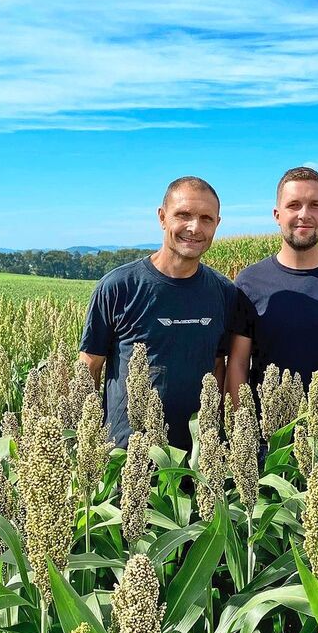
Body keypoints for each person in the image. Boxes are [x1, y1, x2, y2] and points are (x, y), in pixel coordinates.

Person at [79, 176, 235, 451]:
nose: (194, 227)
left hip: (196, 459)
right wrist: (86, 444)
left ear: (217, 224)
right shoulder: (118, 287)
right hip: (127, 457)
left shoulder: (224, 291)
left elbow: (217, 365)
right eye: (183, 215)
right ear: (162, 217)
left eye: (206, 218)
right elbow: (89, 367)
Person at [226, 165, 318, 409]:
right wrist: (240, 424)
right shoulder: (249, 282)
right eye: (293, 205)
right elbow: (238, 365)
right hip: (269, 428)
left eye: (315, 205)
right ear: (277, 215)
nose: (304, 214)